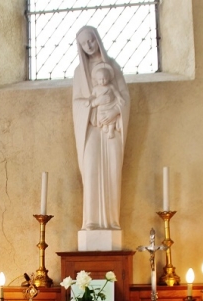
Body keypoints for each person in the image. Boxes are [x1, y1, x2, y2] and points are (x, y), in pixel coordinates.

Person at [72, 26, 130, 231]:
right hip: (91, 129)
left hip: (112, 130)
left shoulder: (112, 66)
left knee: (113, 169)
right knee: (91, 170)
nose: (89, 45)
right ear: (80, 47)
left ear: (97, 38)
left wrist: (114, 112)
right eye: (84, 43)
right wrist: (92, 105)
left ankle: (112, 222)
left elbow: (124, 99)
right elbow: (77, 103)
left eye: (91, 40)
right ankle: (91, 222)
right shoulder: (80, 72)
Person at [90, 63, 126, 139]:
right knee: (101, 116)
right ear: (96, 80)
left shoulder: (111, 86)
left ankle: (111, 130)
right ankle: (104, 125)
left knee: (112, 119)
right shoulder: (96, 89)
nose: (102, 81)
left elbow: (116, 92)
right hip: (101, 108)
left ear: (109, 78)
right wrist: (95, 101)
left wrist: (119, 97)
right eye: (100, 79)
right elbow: (92, 97)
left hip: (111, 105)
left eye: (104, 78)